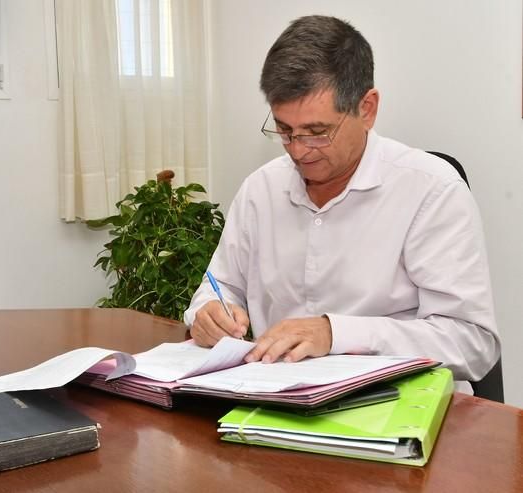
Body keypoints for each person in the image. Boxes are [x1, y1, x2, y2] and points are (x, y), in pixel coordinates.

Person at [183, 15, 499, 392]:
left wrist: (337, 333)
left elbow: (471, 342)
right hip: (273, 406)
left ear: (367, 108)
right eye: (285, 131)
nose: (299, 150)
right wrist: (207, 313)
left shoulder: (432, 191)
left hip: (398, 411)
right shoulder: (261, 189)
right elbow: (221, 286)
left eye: (317, 132)